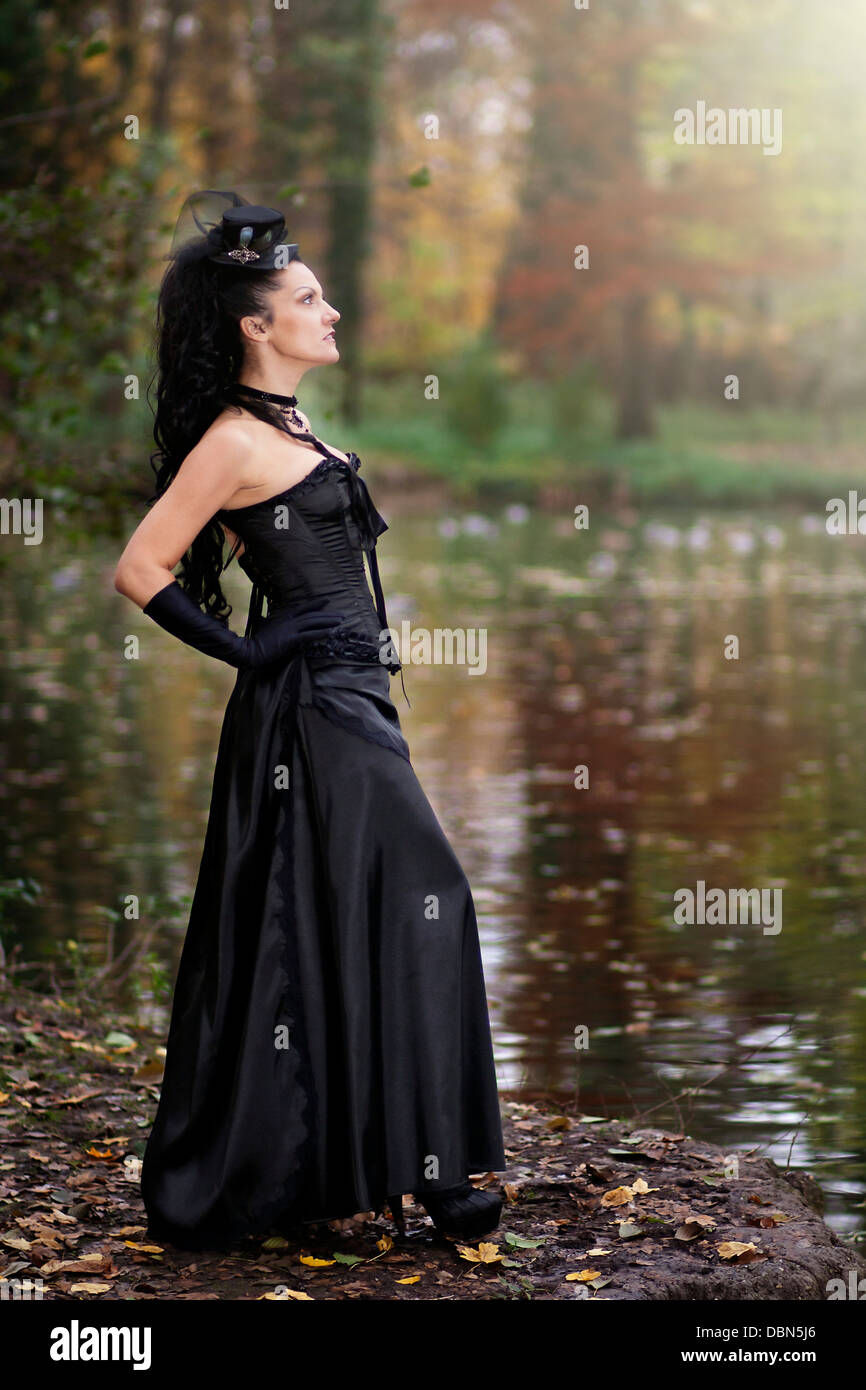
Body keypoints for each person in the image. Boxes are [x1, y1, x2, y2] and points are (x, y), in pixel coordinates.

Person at [113, 190, 506, 1250]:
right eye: (308, 297)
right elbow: (139, 567)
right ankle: (430, 1175)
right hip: (310, 709)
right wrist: (248, 649)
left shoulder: (291, 426)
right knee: (425, 889)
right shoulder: (235, 440)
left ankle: (337, 1162)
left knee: (349, 908)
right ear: (257, 324)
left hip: (349, 698)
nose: (329, 311)